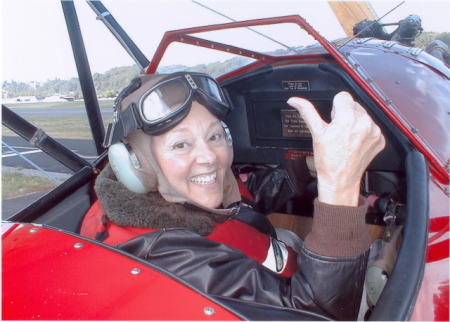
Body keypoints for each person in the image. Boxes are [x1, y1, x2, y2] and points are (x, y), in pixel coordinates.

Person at [80, 72, 385, 320]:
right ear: (135, 163)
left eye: (214, 136)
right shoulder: (164, 255)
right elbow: (319, 315)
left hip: (272, 263)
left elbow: (241, 199)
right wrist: (341, 185)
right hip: (303, 300)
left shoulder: (158, 195)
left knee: (289, 238)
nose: (209, 157)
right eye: (181, 145)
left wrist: (306, 168)